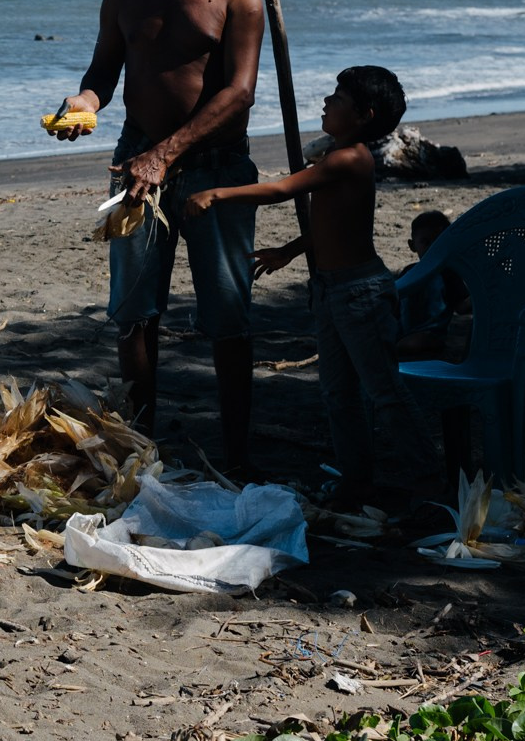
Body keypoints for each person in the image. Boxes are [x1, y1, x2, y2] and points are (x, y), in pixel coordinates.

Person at [49, 0, 266, 479]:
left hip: (215, 166)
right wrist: (82, 105)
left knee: (227, 315)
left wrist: (166, 155)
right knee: (134, 311)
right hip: (136, 159)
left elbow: (239, 94)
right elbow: (103, 74)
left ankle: (238, 457)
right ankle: (140, 447)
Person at [185, 66, 428, 512]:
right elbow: (334, 222)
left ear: (364, 115)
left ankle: (430, 483)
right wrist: (291, 250)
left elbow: (280, 190)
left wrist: (216, 194)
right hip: (330, 289)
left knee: (384, 392)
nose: (327, 102)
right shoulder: (336, 155)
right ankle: (356, 483)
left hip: (360, 293)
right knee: (338, 394)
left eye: (338, 98)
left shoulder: (349, 159)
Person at [396, 209, 470, 361]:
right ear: (412, 245)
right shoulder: (409, 272)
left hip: (431, 337)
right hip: (403, 332)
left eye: (438, 243)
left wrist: (479, 295)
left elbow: (461, 307)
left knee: (417, 342)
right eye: (425, 242)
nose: (432, 248)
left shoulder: (448, 274)